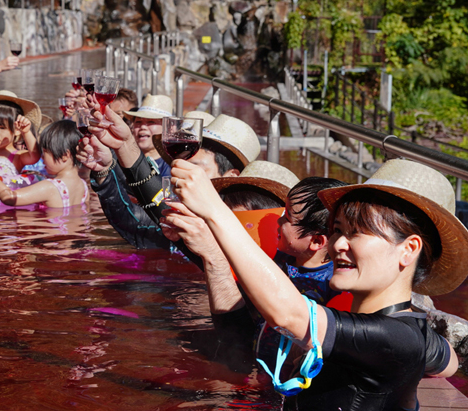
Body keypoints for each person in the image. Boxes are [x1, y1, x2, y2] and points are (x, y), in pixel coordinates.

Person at [165, 158, 462, 407]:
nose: (338, 244)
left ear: (408, 249)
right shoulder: (409, 336)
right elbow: (448, 362)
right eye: (337, 230)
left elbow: (290, 315)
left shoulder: (398, 338)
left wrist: (214, 210)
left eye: (357, 232)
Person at [82, 109, 259, 250]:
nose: (181, 174)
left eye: (195, 167)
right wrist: (103, 171)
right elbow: (134, 223)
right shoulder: (179, 217)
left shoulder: (243, 235)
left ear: (230, 177)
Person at [0, 120, 88, 208]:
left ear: (64, 155)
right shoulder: (84, 187)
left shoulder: (50, 187)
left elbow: (9, 197)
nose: (42, 157)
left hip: (50, 241)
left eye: (45, 152)